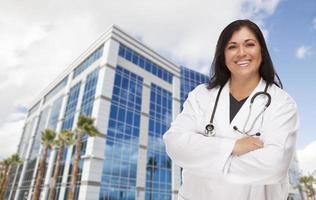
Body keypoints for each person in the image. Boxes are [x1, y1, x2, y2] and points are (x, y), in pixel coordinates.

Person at [163, 19, 299, 200]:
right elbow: (174, 143)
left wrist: (201, 158)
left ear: (262, 52)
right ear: (223, 55)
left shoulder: (282, 103)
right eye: (232, 47)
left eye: (249, 44)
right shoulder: (201, 95)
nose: (241, 53)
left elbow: (275, 165)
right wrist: (232, 146)